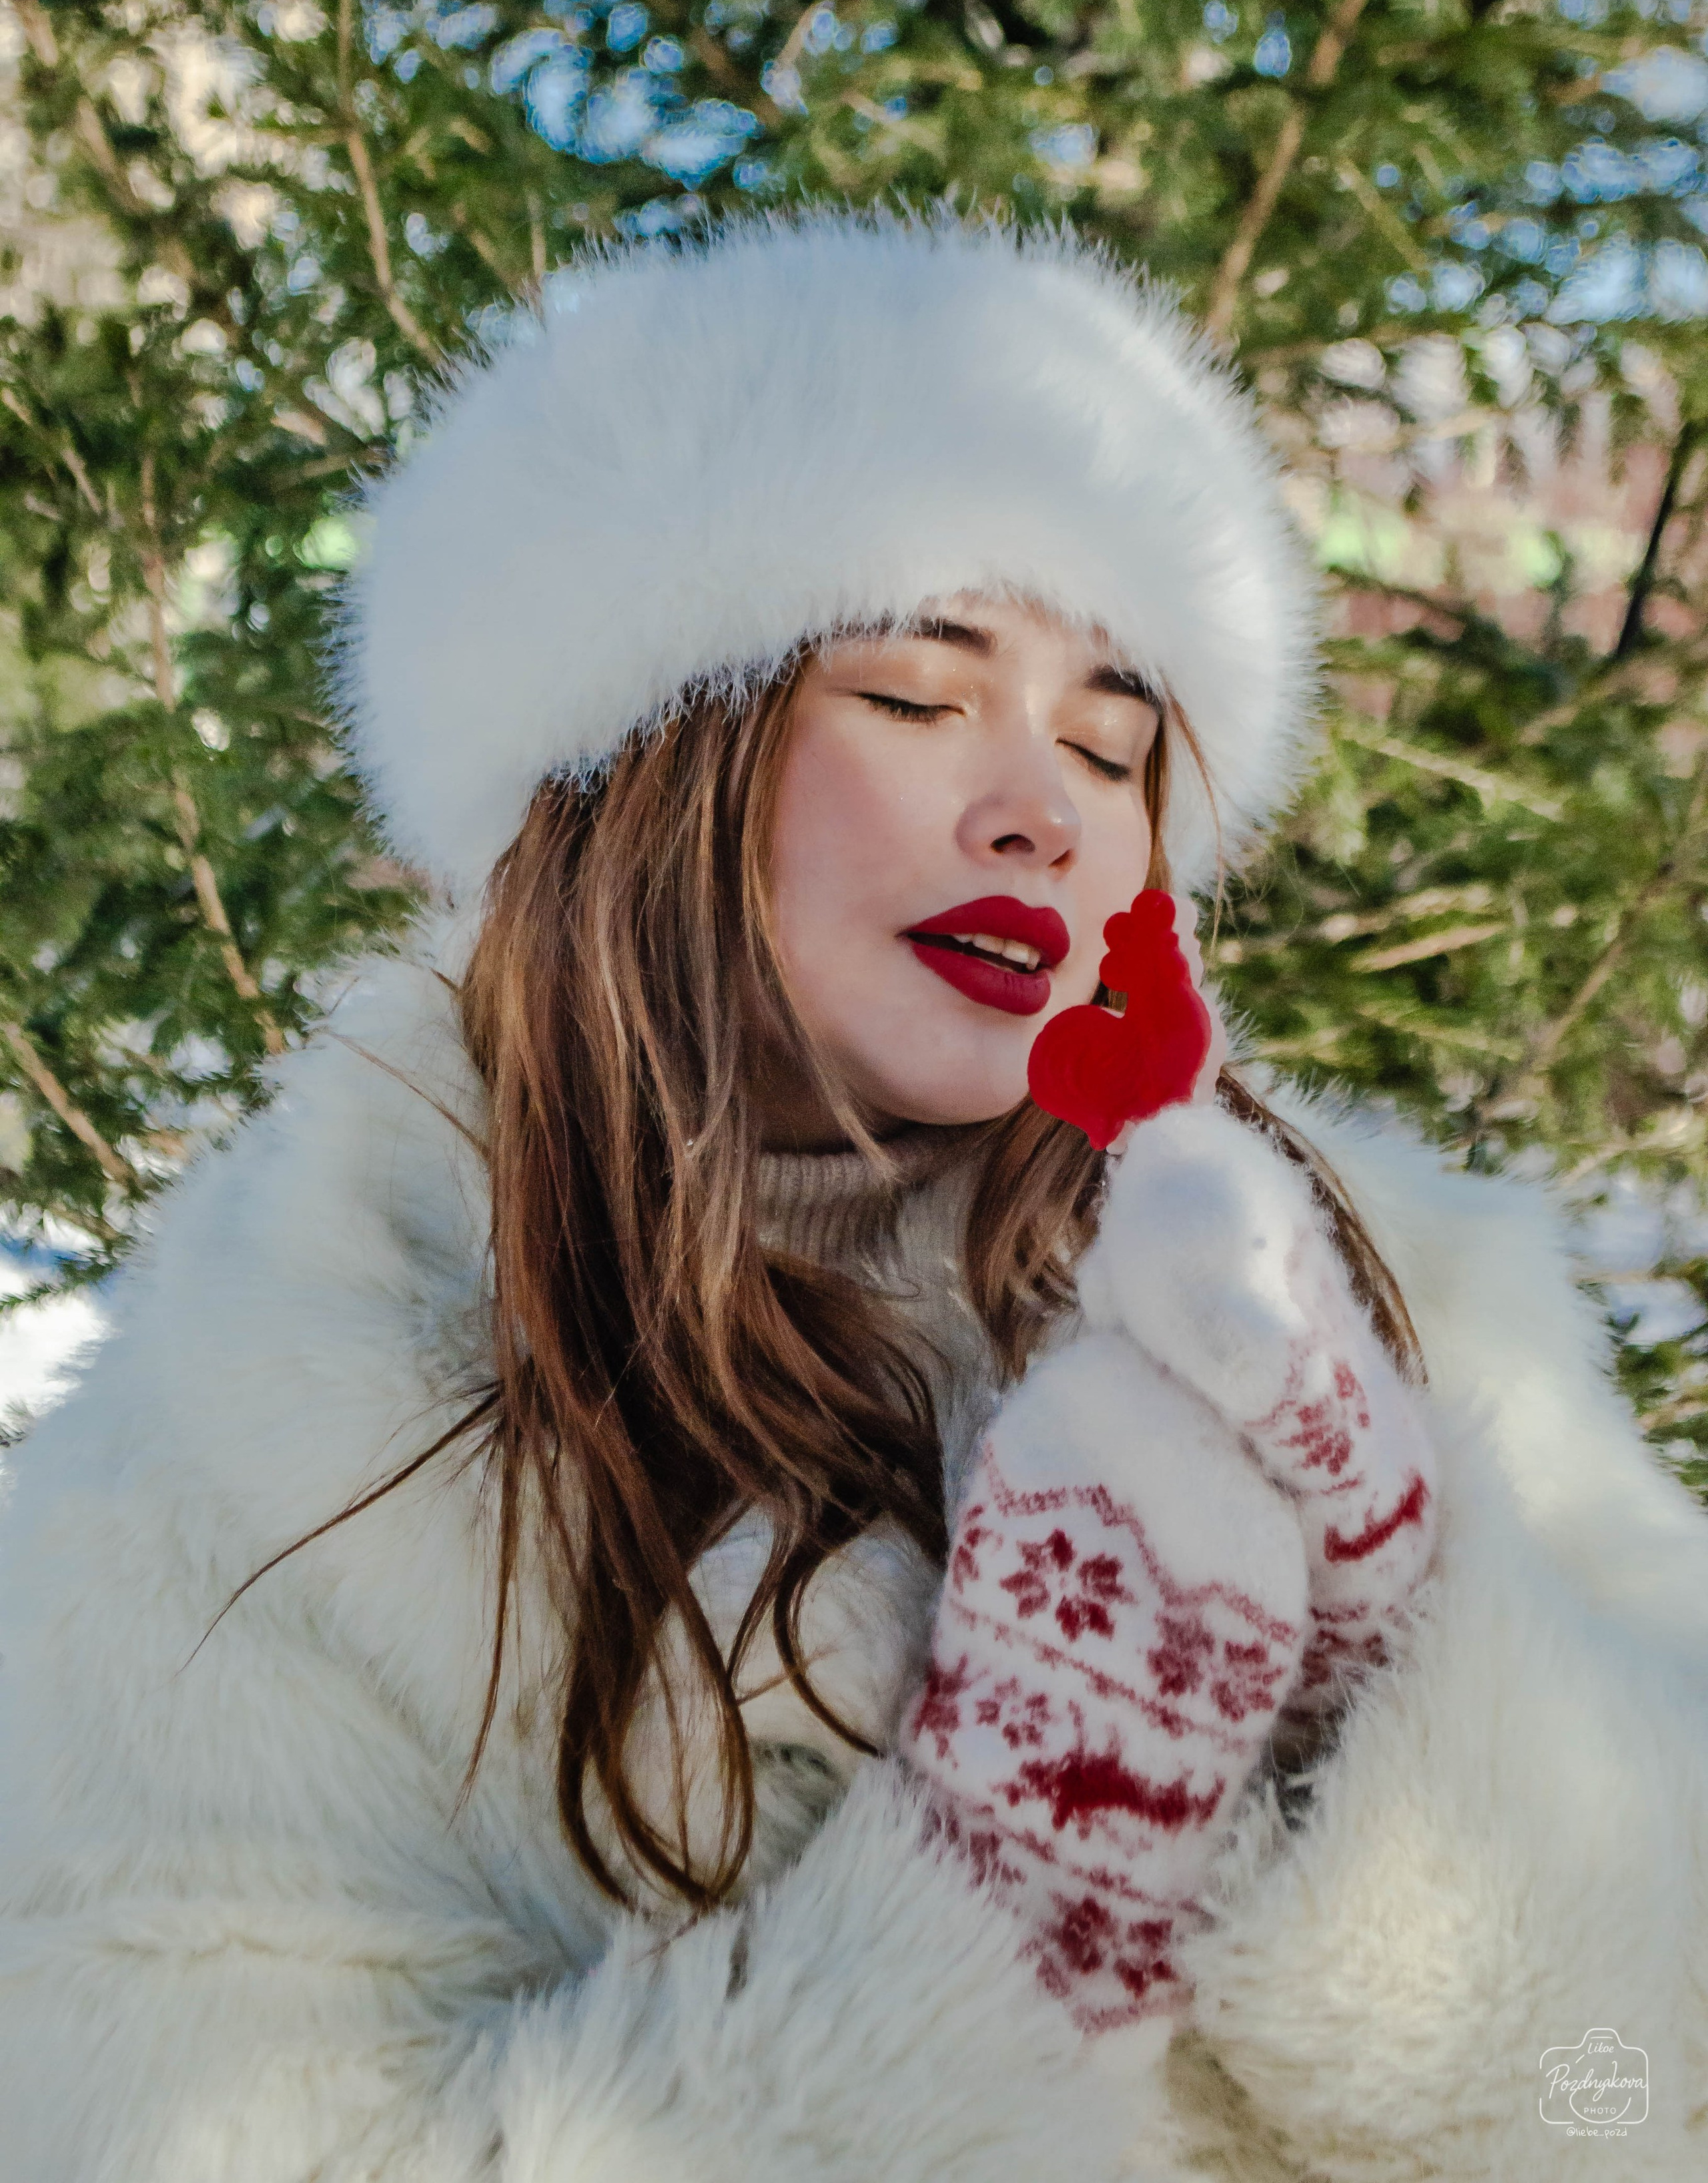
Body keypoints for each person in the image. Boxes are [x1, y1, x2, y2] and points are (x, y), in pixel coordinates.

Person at [1, 212, 1705, 2183]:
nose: (1044, 809)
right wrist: (984, 1930)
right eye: (915, 695)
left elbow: (1644, 2105)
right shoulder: (264, 1426)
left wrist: (1384, 1694)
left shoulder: (1390, 1309)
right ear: (639, 762)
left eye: (1114, 744)